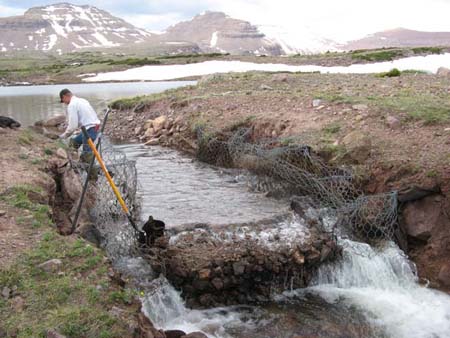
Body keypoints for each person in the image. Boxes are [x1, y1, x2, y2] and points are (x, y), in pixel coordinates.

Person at [58, 88, 100, 161]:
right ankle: (74, 160)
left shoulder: (72, 105)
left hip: (89, 130)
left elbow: (73, 127)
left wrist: (64, 136)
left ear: (65, 96)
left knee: (87, 155)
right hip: (92, 127)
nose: (64, 103)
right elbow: (80, 118)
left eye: (63, 100)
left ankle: (96, 171)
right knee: (74, 142)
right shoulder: (82, 100)